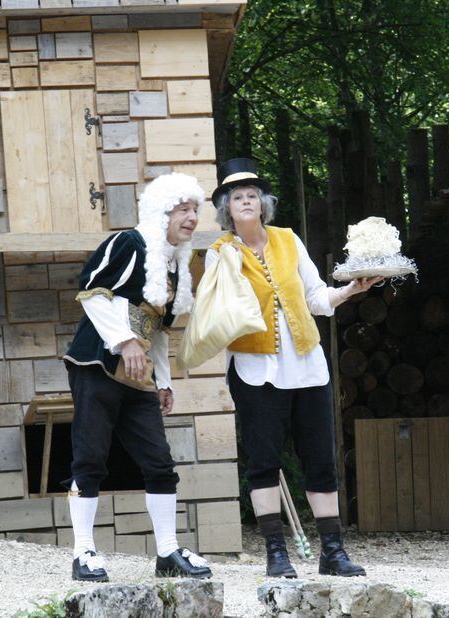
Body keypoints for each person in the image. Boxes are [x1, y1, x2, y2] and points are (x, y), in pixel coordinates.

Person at [205, 158, 381, 579]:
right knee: (264, 461)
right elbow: (214, 313)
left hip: (306, 366)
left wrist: (351, 291)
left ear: (263, 204)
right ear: (227, 210)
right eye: (236, 198)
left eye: (251, 196)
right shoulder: (220, 253)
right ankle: (276, 554)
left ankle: (332, 553)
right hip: (254, 370)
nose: (245, 202)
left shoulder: (288, 240)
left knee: (320, 459)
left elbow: (317, 298)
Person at [62, 173, 212, 583]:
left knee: (160, 463)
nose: (192, 218)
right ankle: (82, 552)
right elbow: (91, 291)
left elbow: (158, 329)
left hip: (138, 375)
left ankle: (166, 553)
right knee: (90, 458)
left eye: (195, 210)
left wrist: (163, 380)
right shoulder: (128, 243)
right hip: (96, 365)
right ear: (161, 211)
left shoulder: (176, 265)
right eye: (183, 210)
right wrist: (124, 341)